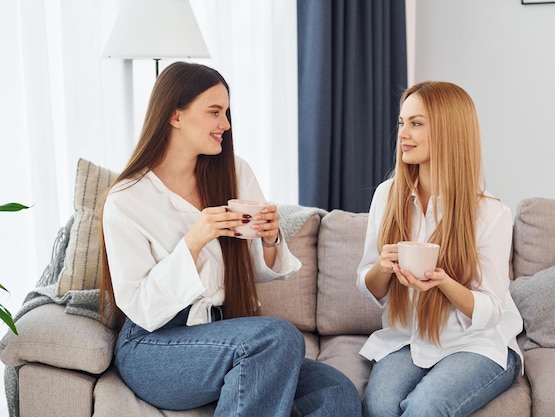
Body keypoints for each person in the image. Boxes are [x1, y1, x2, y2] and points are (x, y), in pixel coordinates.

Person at [98, 61, 361, 416]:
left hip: (226, 334)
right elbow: (143, 307)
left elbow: (253, 270)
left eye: (226, 112)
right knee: (277, 337)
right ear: (176, 115)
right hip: (155, 344)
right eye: (214, 112)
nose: (225, 124)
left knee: (336, 390)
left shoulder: (234, 172)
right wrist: (193, 241)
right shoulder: (128, 199)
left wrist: (269, 239)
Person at [357, 81, 524, 417]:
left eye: (416, 123)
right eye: (402, 123)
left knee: (425, 408)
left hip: (476, 344)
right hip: (407, 338)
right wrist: (382, 268)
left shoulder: (490, 213)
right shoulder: (386, 196)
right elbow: (369, 284)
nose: (403, 133)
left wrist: (443, 282)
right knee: (380, 408)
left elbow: (492, 309)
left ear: (449, 132)